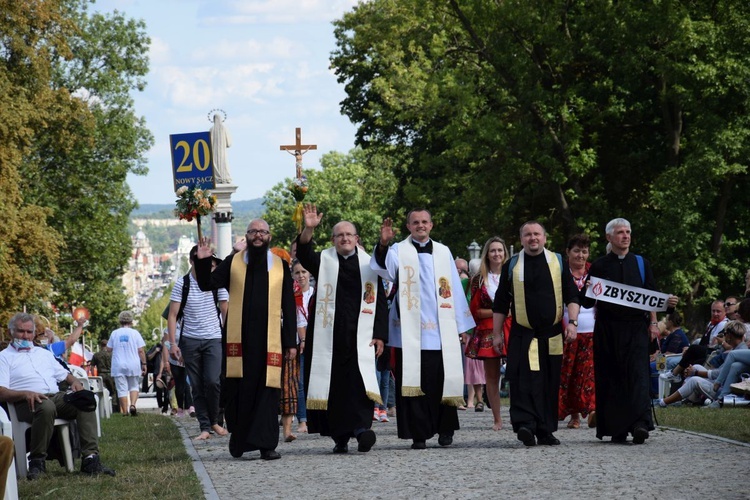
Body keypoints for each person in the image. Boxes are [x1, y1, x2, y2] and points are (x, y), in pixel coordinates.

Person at [371, 209, 475, 450]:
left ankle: (445, 429)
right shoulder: (399, 249)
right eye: (415, 222)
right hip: (410, 331)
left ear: (431, 225)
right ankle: (419, 433)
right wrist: (384, 244)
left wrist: (462, 326)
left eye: (424, 222)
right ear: (408, 226)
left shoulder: (443, 251)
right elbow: (385, 270)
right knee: (413, 381)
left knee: (442, 379)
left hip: (441, 329)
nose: (420, 225)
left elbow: (456, 291)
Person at [194, 219, 297, 460]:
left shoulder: (281, 266)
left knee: (268, 391)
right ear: (247, 236)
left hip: (269, 340)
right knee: (238, 392)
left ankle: (266, 445)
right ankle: (239, 440)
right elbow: (206, 284)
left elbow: (289, 306)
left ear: (269, 236)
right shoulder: (233, 262)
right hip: (238, 341)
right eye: (253, 232)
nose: (258, 236)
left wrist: (291, 341)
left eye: (263, 232)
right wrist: (203, 261)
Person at [296, 205, 388, 453]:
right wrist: (309, 228)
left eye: (349, 235)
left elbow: (380, 302)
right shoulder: (324, 260)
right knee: (334, 386)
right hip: (329, 338)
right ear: (333, 240)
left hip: (361, 336)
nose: (345, 239)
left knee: (359, 385)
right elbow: (304, 253)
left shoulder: (370, 264)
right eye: (340, 235)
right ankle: (340, 437)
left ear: (357, 239)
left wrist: (380, 335)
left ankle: (361, 431)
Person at [586, 218, 678, 444]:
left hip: (636, 328)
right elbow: (589, 299)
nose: (625, 236)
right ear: (609, 237)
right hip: (608, 330)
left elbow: (651, 295)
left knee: (638, 376)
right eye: (620, 232)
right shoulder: (599, 265)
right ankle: (616, 427)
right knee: (612, 376)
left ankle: (640, 424)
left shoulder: (641, 263)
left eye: (628, 232)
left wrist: (656, 320)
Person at [492, 222, 580, 447]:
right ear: (521, 239)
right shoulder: (512, 264)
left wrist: (573, 324)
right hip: (523, 335)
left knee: (549, 382)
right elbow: (501, 303)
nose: (533, 238)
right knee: (523, 382)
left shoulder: (558, 261)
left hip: (551, 336)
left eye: (537, 234)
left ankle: (545, 430)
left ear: (544, 237)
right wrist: (497, 335)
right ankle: (525, 425)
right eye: (528, 235)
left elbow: (572, 295)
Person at [0, 312, 115, 479]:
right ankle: (37, 462)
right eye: (20, 331)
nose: (25, 336)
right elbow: (1, 391)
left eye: (29, 332)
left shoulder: (44, 354)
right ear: (11, 332)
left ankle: (90, 459)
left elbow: (65, 375)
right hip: (25, 401)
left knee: (85, 399)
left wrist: (75, 381)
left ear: (34, 333)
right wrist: (26, 393)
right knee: (46, 407)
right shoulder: (4, 358)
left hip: (55, 397)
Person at [167, 246, 228, 440]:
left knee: (213, 381)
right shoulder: (182, 283)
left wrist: (227, 336)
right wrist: (173, 345)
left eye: (211, 263)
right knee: (197, 385)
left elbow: (225, 311)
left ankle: (216, 421)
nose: (210, 266)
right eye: (206, 262)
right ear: (193, 261)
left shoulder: (217, 283)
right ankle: (205, 426)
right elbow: (173, 315)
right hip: (190, 340)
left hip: (214, 338)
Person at [467, 236, 510, 430]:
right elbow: (474, 310)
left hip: (513, 328)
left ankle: (521, 415)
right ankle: (497, 419)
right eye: (493, 250)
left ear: (505, 253)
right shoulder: (479, 279)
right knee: (491, 376)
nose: (497, 254)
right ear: (487, 254)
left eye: (500, 250)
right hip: (487, 330)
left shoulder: (513, 275)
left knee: (518, 374)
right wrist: (499, 311)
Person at [657, 319, 747, 407]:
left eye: (725, 334)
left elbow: (719, 374)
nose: (724, 337)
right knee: (696, 366)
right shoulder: (739, 349)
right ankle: (686, 399)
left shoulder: (738, 353)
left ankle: (663, 402)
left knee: (694, 379)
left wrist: (695, 373)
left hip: (723, 389)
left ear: (729, 335)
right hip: (722, 383)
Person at [558, 234, 597, 430]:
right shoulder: (560, 271)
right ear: (568, 252)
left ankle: (592, 411)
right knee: (569, 374)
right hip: (567, 332)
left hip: (592, 330)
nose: (580, 255)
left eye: (584, 251)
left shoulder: (595, 272)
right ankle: (574, 416)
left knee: (588, 374)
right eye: (576, 251)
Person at [660, 300, 728, 384]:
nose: (715, 314)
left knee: (690, 354)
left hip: (711, 353)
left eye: (718, 311)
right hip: (704, 351)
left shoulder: (723, 324)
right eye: (713, 311)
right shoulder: (711, 323)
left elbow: (714, 343)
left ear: (725, 312)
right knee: (684, 360)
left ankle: (675, 373)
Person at [107, 311, 146, 416]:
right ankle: (133, 405)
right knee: (134, 386)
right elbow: (141, 350)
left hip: (118, 364)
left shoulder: (114, 333)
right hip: (133, 363)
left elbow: (109, 349)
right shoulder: (135, 333)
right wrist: (144, 363)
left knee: (121, 389)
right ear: (131, 321)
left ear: (120, 321)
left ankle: (125, 412)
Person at [292, 258, 314, 433]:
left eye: (304, 272)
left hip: (316, 341)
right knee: (300, 382)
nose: (301, 276)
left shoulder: (317, 293)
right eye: (297, 272)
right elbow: (298, 321)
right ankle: (303, 419)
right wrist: (303, 340)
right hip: (299, 342)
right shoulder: (292, 295)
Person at [648, 311, 689, 396]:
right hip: (666, 359)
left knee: (651, 366)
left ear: (670, 321)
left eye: (666, 320)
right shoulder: (673, 334)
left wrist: (656, 358)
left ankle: (656, 392)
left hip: (671, 361)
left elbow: (670, 353)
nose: (665, 322)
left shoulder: (677, 335)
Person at [90, 338, 117, 413]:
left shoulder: (96, 355)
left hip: (101, 375)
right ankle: (114, 409)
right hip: (111, 374)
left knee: (103, 392)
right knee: (113, 392)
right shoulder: (112, 354)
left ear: (100, 345)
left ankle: (104, 409)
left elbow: (92, 367)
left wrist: (94, 377)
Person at [210, 112, 232, 184]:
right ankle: (224, 178)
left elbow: (208, 143)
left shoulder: (211, 129)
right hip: (222, 152)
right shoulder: (224, 128)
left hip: (213, 153)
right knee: (224, 164)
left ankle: (217, 178)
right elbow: (229, 143)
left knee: (214, 165)